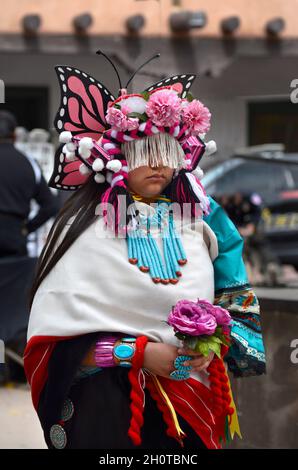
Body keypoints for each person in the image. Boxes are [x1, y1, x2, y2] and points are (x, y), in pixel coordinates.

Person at [24, 53, 266, 450]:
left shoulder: (200, 220)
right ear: (117, 157)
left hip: (190, 397)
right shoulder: (84, 226)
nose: (158, 164)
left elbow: (230, 296)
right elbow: (55, 344)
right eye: (142, 152)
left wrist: (212, 345)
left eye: (167, 153)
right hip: (108, 409)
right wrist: (138, 354)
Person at [0, 110, 60, 257]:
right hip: (14, 239)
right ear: (14, 136)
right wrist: (27, 228)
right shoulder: (28, 163)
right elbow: (51, 205)